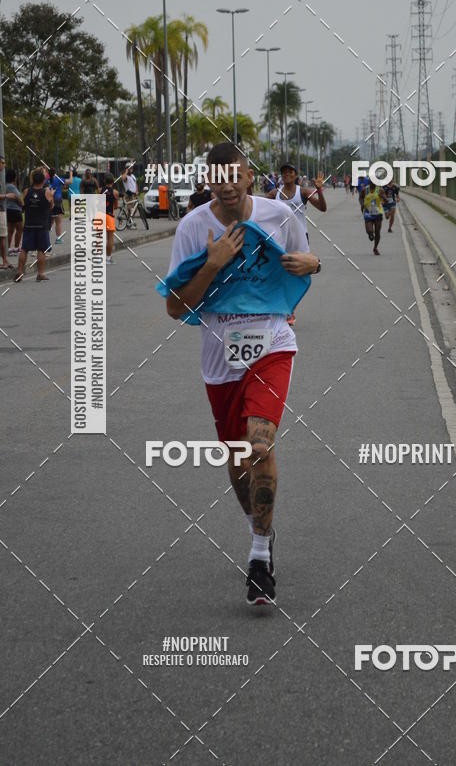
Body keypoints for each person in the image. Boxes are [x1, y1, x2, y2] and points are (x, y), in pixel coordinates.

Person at [163, 142, 320, 605]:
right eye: (219, 177)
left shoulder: (280, 216)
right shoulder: (194, 228)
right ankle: (262, 531)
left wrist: (316, 263)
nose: (228, 184)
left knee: (259, 443)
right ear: (208, 181)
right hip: (220, 359)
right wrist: (212, 265)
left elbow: (302, 263)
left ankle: (257, 560)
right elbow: (175, 308)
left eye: (237, 175)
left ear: (250, 176)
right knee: (237, 464)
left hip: (272, 344)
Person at [266, 162, 326, 325]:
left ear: (295, 175)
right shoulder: (274, 194)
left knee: (299, 275)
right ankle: (286, 310)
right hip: (280, 240)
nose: (286, 174)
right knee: (280, 274)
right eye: (284, 172)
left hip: (300, 239)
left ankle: (290, 308)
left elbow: (322, 208)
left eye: (290, 172)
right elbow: (257, 208)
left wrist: (319, 190)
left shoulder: (303, 192)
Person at [13, 169, 54, 282]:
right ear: (43, 180)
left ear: (33, 179)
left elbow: (23, 204)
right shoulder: (47, 192)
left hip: (29, 225)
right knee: (42, 249)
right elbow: (51, 206)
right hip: (42, 225)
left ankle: (20, 272)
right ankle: (40, 273)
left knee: (24, 249)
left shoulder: (26, 191)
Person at [360, 179, 384, 255]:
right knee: (369, 231)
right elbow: (360, 198)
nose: (373, 182)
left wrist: (383, 197)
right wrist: (362, 204)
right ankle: (370, 234)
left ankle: (375, 247)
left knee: (377, 231)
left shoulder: (380, 190)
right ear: (369, 181)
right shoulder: (365, 190)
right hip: (368, 212)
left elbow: (385, 200)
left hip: (378, 213)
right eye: (371, 181)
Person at [5, 168, 23, 255]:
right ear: (14, 177)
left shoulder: (6, 185)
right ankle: (16, 248)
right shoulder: (11, 186)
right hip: (15, 210)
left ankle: (8, 248)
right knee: (20, 228)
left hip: (9, 209)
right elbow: (18, 197)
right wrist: (22, 204)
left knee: (10, 230)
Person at [46, 168, 66, 243]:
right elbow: (70, 181)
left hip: (49, 201)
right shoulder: (59, 179)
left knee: (50, 222)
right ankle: (58, 238)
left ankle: (46, 238)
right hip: (57, 201)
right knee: (58, 222)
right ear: (55, 173)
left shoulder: (46, 181)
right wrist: (71, 173)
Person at [104, 173, 118, 264]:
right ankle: (108, 258)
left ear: (104, 181)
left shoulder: (100, 190)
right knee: (110, 238)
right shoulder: (115, 192)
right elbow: (116, 206)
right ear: (113, 182)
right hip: (109, 215)